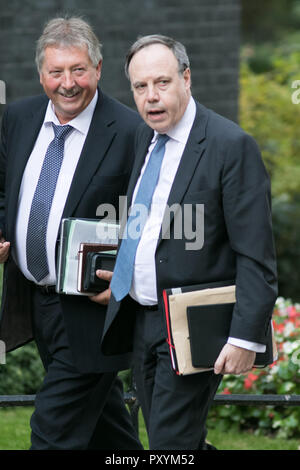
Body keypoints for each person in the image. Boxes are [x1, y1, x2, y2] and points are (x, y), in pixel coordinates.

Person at [96, 35, 278, 450]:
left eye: (162, 82)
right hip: (141, 319)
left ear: (187, 78)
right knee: (173, 441)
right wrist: (123, 274)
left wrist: (244, 338)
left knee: (169, 446)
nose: (151, 97)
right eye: (140, 87)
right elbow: (148, 223)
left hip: (194, 324)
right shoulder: (144, 139)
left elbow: (256, 255)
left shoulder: (231, 146)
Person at [0, 17, 143, 450]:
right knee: (107, 429)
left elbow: (151, 217)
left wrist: (126, 271)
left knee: (52, 431)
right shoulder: (18, 117)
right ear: (41, 74)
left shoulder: (130, 131)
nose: (68, 83)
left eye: (78, 70)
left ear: (98, 69)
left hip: (92, 312)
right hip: (38, 302)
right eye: (56, 72)